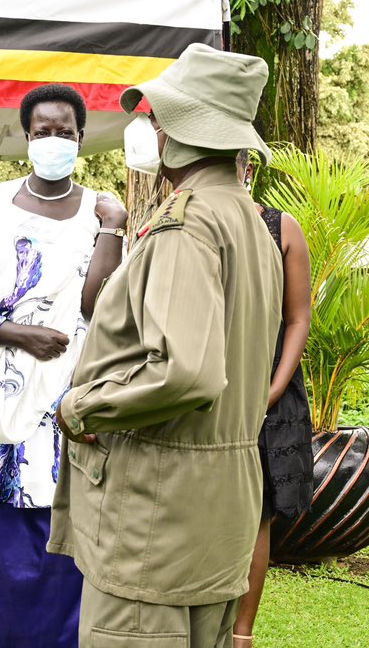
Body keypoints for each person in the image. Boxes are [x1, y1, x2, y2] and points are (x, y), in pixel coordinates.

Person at [50, 43, 283, 647]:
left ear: (181, 129)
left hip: (155, 520)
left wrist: (82, 407)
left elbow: (189, 374)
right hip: (213, 518)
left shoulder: (190, 222)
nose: (145, 127)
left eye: (155, 116)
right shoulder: (249, 221)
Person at [0, 83, 127, 647]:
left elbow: (103, 307)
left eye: (64, 133)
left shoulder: (101, 209)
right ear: (26, 137)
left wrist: (113, 228)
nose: (53, 141)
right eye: (42, 132)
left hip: (66, 407)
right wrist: (17, 334)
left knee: (58, 559)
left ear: (81, 138)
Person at [232, 152, 314, 648]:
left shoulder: (280, 227)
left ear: (246, 167)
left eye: (236, 162)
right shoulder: (177, 222)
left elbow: (299, 317)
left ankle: (241, 635)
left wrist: (274, 388)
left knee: (256, 511)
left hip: (267, 392)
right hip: (203, 390)